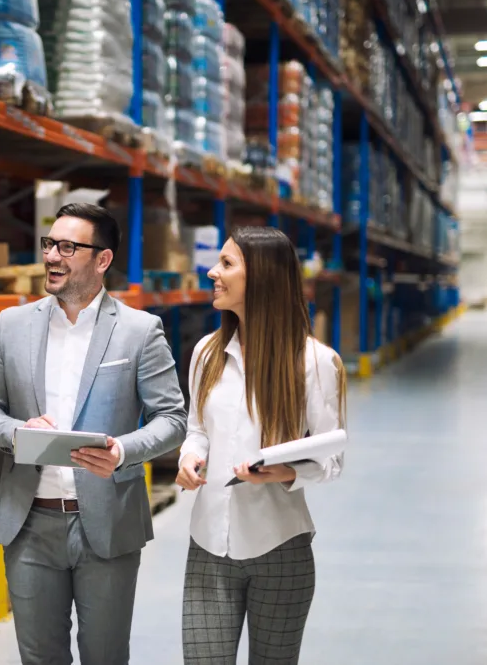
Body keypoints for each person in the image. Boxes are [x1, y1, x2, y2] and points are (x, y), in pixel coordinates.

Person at [0, 202, 188, 665]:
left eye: (68, 247)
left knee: (104, 656)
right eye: (49, 244)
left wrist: (122, 450)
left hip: (106, 525)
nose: (52, 256)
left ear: (102, 259)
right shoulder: (13, 324)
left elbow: (172, 419)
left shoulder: (139, 331)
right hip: (29, 523)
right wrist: (16, 430)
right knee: (40, 657)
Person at [175, 225, 347, 665]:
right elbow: (197, 428)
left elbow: (332, 460)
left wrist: (288, 472)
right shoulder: (206, 354)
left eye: (227, 264)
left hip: (281, 549)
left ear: (264, 278)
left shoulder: (315, 362)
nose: (213, 272)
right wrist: (191, 456)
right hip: (209, 547)